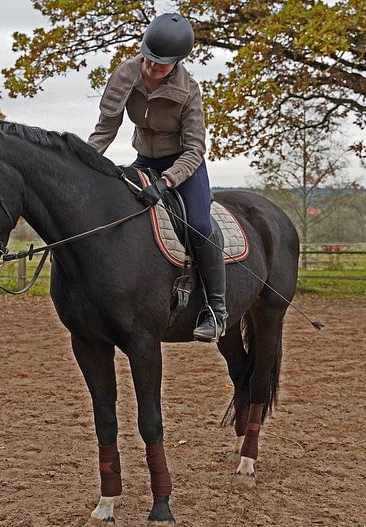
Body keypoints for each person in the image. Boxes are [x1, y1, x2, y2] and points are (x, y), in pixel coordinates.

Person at [87, 13, 227, 342]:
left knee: (199, 224)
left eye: (160, 64)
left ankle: (216, 310)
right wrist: (83, 161)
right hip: (144, 159)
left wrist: (166, 182)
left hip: (183, 165)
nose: (150, 67)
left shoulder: (189, 90)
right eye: (148, 58)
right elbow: (106, 129)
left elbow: (195, 149)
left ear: (177, 62)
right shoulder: (125, 73)